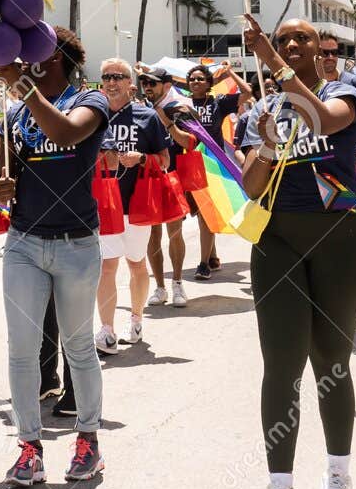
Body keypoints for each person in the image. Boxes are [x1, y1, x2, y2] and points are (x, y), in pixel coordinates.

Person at [239, 14, 356, 489]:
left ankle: (338, 475)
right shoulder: (262, 109)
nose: (292, 44)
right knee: (281, 365)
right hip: (276, 240)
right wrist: (269, 146)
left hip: (339, 239)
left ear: (320, 48)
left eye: (303, 38)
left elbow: (324, 121)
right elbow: (251, 185)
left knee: (332, 361)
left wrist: (274, 67)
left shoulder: (347, 90)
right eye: (283, 40)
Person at [0, 27, 109, 487]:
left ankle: (88, 441)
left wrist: (22, 88)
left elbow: (66, 131)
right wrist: (3, 190)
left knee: (78, 347)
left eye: (30, 56)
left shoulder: (91, 101)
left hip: (77, 243)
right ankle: (29, 447)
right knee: (22, 350)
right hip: (23, 241)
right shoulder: (16, 114)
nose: (21, 63)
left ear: (53, 58)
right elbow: (6, 175)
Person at [94, 59, 169, 356]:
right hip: (104, 202)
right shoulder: (92, 114)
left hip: (137, 203)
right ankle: (107, 330)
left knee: (136, 263)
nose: (111, 82)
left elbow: (165, 161)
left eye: (118, 77)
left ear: (130, 84)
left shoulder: (147, 116)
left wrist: (140, 159)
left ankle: (136, 320)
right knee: (107, 265)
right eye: (106, 77)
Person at [179, 63, 249, 280]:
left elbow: (246, 91)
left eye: (201, 79)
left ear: (209, 83)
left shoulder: (218, 102)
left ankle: (203, 264)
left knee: (204, 213)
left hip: (212, 165)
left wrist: (229, 73)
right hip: (190, 162)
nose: (196, 82)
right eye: (192, 79)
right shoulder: (182, 105)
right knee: (195, 210)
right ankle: (213, 256)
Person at [136, 66, 190, 308]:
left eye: (153, 83)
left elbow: (189, 141)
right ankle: (160, 287)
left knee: (174, 233)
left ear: (167, 86)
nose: (147, 87)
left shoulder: (179, 107)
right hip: (148, 178)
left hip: (174, 176)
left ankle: (177, 283)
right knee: (152, 235)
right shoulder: (140, 110)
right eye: (145, 82)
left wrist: (165, 120)